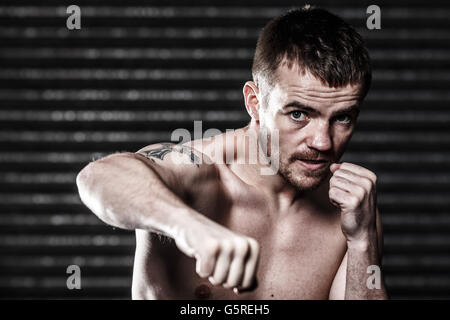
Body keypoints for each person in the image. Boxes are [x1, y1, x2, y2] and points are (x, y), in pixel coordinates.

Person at [76, 6, 388, 300]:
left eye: (342, 117)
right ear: (255, 103)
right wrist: (191, 228)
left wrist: (363, 242)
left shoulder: (351, 213)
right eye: (298, 114)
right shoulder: (199, 172)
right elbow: (98, 177)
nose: (322, 142)